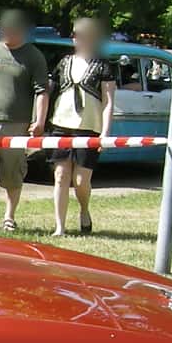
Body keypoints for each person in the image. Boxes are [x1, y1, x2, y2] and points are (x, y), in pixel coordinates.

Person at [0, 10, 49, 233]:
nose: (5, 32)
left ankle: (9, 217)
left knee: (13, 173)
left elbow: (42, 91)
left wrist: (39, 122)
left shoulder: (34, 56)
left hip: (17, 124)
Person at [44, 16, 115, 236]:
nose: (79, 39)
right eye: (76, 35)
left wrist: (105, 133)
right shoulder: (63, 62)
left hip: (89, 128)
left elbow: (109, 101)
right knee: (60, 176)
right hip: (60, 125)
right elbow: (48, 92)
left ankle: (84, 210)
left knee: (81, 180)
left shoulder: (103, 66)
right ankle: (60, 227)